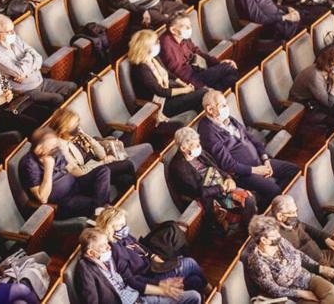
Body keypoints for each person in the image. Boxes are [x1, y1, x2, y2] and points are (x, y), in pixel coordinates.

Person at [197, 90, 299, 210]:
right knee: (274, 190)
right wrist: (255, 170)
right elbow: (227, 164)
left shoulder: (228, 118)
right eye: (223, 105)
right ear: (210, 110)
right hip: (242, 173)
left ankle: (274, 199)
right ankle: (264, 210)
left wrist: (265, 159)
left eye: (226, 104)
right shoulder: (207, 131)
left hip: (260, 163)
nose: (227, 108)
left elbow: (253, 139)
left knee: (294, 171)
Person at [270, 195, 334, 304]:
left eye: (296, 211)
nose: (296, 215)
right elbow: (295, 263)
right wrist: (320, 268)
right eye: (293, 213)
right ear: (280, 216)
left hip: (322, 254)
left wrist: (325, 238)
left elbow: (307, 227)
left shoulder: (291, 220)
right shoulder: (275, 237)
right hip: (313, 268)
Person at [94, 206, 210, 293]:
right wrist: (159, 284)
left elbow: (140, 247)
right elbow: (131, 279)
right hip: (150, 277)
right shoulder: (115, 250)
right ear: (109, 229)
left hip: (155, 267)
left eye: (124, 224)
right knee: (189, 263)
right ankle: (211, 290)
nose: (124, 228)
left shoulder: (124, 236)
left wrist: (153, 256)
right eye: (120, 226)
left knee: (195, 281)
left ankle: (208, 296)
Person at [74, 228, 202, 304]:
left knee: (194, 297)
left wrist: (160, 285)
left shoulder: (110, 255)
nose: (109, 247)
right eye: (103, 246)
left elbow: (132, 279)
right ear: (91, 253)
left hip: (140, 297)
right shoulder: (85, 271)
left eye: (107, 243)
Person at [170, 127, 257, 234]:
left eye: (199, 144)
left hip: (222, 185)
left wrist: (229, 178)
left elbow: (217, 168)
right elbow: (199, 192)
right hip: (208, 198)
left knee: (248, 198)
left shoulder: (199, 153)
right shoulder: (178, 167)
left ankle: (250, 228)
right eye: (196, 145)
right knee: (245, 200)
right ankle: (249, 231)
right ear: (183, 148)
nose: (199, 147)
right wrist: (222, 188)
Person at [0, 14, 77, 111]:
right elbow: (19, 72)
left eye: (13, 30)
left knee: (72, 87)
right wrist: (29, 58)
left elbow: (38, 57)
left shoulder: (16, 39)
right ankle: (56, 122)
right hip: (26, 91)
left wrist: (26, 73)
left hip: (40, 81)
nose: (13, 33)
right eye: (9, 31)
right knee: (57, 99)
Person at [19, 127, 111, 220]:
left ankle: (102, 210)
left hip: (75, 184)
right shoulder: (28, 164)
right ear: (39, 149)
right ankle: (104, 212)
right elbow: (43, 198)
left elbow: (71, 169)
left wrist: (97, 164)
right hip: (62, 201)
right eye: (52, 146)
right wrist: (48, 168)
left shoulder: (54, 150)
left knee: (103, 171)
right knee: (92, 204)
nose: (56, 148)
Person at [245, 216, 334, 304]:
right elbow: (273, 289)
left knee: (331, 291)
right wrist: (301, 293)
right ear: (264, 240)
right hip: (290, 295)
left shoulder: (280, 241)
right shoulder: (257, 262)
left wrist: (319, 268)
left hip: (305, 277)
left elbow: (298, 254)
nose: (279, 236)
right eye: (274, 235)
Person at [50, 108, 143, 193]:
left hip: (98, 163)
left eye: (77, 124)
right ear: (63, 130)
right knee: (128, 164)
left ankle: (131, 198)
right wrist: (102, 163)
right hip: (87, 174)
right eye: (73, 127)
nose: (77, 128)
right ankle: (139, 189)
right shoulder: (61, 147)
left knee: (125, 179)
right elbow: (77, 171)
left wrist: (104, 157)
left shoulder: (77, 131)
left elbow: (94, 143)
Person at [128, 30, 207, 123]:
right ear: (146, 48)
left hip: (169, 94)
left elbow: (168, 73)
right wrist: (185, 90)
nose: (158, 44)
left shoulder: (153, 58)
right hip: (160, 104)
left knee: (201, 95)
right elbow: (160, 91)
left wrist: (183, 84)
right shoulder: (140, 69)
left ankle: (200, 125)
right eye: (155, 43)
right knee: (203, 93)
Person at [290, 44, 334, 133]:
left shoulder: (330, 71)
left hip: (323, 99)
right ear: (329, 64)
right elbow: (328, 103)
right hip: (307, 106)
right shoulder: (315, 76)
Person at [158, 13, 238, 90]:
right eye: (186, 27)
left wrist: (218, 62)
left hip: (199, 70)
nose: (189, 29)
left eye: (190, 26)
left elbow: (197, 52)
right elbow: (180, 73)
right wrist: (202, 87)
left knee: (230, 73)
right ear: (173, 30)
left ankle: (216, 93)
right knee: (228, 68)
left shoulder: (183, 37)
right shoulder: (167, 43)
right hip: (192, 79)